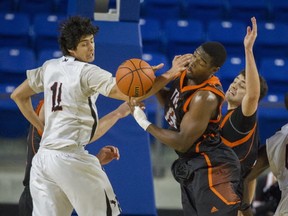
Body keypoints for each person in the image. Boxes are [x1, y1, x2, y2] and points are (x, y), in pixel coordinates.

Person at [10, 15, 191, 216]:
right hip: (71, 158)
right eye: (84, 44)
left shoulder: (49, 66)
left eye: (92, 41)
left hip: (44, 160)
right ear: (71, 49)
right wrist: (169, 74)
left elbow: (18, 95)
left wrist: (41, 127)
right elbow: (133, 94)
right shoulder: (87, 72)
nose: (91, 47)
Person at [132, 41, 242, 216]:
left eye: (201, 62)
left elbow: (182, 142)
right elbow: (171, 100)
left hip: (213, 166)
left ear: (213, 70)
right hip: (193, 163)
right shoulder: (183, 73)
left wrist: (144, 123)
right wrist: (151, 80)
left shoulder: (205, 97)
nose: (193, 62)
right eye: (195, 55)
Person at [18, 99, 130, 216]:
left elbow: (70, 142)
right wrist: (118, 113)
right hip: (38, 193)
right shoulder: (52, 103)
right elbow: (73, 139)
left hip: (46, 185)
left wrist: (96, 160)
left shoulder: (57, 101)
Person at [219, 17, 268, 216]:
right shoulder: (228, 117)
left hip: (222, 201)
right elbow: (250, 173)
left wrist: (248, 50)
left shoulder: (242, 120)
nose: (234, 85)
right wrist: (246, 208)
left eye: (242, 86)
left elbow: (253, 95)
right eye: (235, 81)